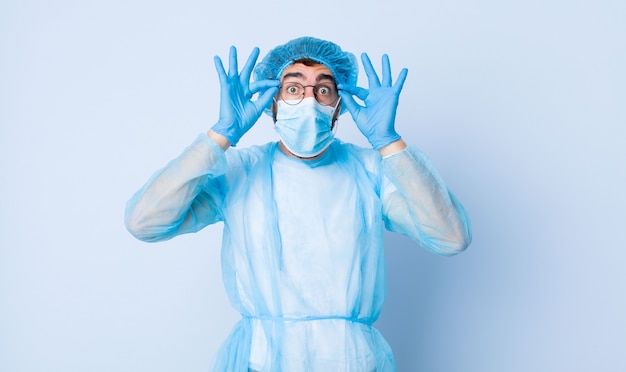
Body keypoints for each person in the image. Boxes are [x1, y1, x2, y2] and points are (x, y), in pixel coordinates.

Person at [125, 36, 471, 371]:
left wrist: (389, 143)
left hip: (349, 361)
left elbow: (450, 237)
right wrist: (220, 137)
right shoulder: (239, 172)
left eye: (323, 90)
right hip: (260, 360)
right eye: (293, 88)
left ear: (339, 105)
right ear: (271, 102)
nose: (308, 101)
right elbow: (145, 222)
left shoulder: (372, 172)